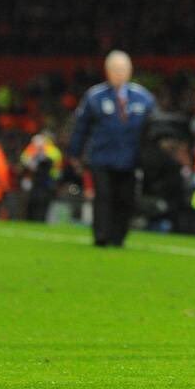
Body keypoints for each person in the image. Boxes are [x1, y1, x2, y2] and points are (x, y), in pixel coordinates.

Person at [68, 50, 155, 247]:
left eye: (123, 69)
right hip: (102, 157)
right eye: (115, 69)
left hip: (131, 159)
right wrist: (75, 153)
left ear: (130, 71)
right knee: (103, 197)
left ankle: (118, 237)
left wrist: (150, 158)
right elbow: (81, 127)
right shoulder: (94, 96)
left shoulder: (144, 98)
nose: (119, 73)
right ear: (107, 71)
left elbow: (155, 129)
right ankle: (101, 236)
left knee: (125, 199)